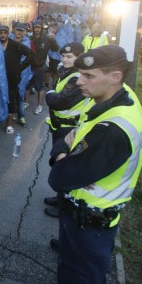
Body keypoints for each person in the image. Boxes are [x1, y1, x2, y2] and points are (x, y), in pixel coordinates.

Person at [48, 45, 142, 284]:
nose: (79, 81)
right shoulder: (114, 99)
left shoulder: (112, 129)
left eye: (89, 76)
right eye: (81, 73)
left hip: (89, 227)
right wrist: (63, 151)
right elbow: (69, 137)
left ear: (116, 77)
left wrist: (61, 155)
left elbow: (59, 178)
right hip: (85, 219)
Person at [43, 42, 89, 223]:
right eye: (63, 56)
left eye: (69, 57)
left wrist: (49, 95)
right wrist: (52, 94)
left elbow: (59, 101)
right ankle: (59, 197)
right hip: (60, 126)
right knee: (58, 163)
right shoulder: (67, 73)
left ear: (79, 58)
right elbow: (56, 94)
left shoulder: (77, 77)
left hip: (69, 129)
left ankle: (64, 206)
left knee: (65, 165)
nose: (64, 59)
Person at [0, 24, 31, 135]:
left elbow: (31, 55)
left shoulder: (15, 45)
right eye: (0, 33)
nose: (3, 35)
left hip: (12, 79)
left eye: (4, 33)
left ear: (8, 33)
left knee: (11, 102)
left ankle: (9, 124)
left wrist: (20, 68)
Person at [26, 21, 59, 115]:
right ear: (33, 28)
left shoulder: (46, 39)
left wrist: (53, 40)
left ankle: (40, 105)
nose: (37, 29)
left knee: (40, 88)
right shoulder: (29, 38)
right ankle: (26, 102)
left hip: (40, 68)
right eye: (35, 27)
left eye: (39, 28)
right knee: (27, 86)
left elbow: (55, 49)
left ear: (41, 29)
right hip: (29, 67)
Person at [11, 22, 32, 128]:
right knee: (7, 93)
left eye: (21, 30)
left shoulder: (26, 41)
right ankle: (7, 115)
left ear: (24, 31)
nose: (19, 32)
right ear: (14, 30)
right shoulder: (8, 38)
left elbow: (26, 57)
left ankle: (21, 116)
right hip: (9, 71)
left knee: (20, 94)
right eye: (17, 30)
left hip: (21, 72)